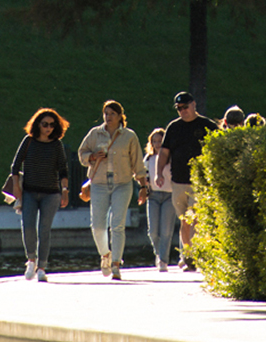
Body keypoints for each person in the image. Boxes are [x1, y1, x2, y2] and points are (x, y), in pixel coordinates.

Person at [78, 101, 147, 280]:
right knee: (98, 225)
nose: (108, 117)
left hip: (122, 183)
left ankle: (116, 263)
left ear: (120, 116)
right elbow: (82, 153)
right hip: (99, 183)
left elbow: (137, 162)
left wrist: (143, 186)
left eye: (112, 114)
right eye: (106, 113)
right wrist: (92, 156)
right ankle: (105, 255)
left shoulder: (129, 136)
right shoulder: (95, 133)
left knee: (117, 224)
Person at [156, 92, 219, 271]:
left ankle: (195, 256)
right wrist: (158, 173)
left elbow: (219, 148)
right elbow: (164, 152)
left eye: (185, 107)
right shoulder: (174, 127)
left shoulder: (207, 125)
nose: (182, 111)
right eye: (179, 108)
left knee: (196, 218)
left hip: (200, 182)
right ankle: (188, 254)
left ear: (193, 105)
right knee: (184, 220)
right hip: (178, 180)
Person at [10, 108, 70, 282]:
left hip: (51, 194)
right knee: (28, 226)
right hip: (29, 191)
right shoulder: (29, 141)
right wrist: (16, 187)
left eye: (52, 125)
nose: (48, 128)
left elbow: (63, 170)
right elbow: (15, 165)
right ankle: (31, 260)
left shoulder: (56, 144)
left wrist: (65, 191)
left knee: (45, 229)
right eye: (45, 124)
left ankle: (42, 267)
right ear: (38, 125)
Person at [143, 128, 176, 272]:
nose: (157, 144)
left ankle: (163, 260)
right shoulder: (148, 159)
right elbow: (143, 177)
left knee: (166, 231)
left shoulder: (171, 158)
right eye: (154, 141)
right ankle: (158, 254)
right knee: (153, 231)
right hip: (153, 196)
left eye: (160, 141)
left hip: (169, 195)